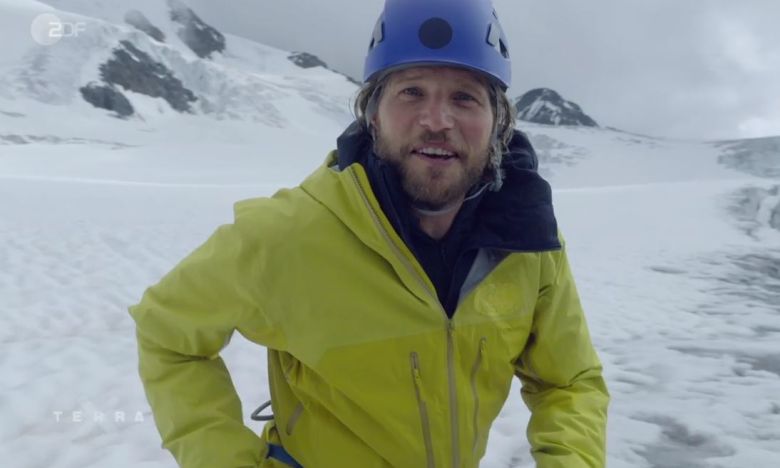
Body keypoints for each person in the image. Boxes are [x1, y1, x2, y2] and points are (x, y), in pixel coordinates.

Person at [129, 0, 609, 466]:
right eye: (411, 92)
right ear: (372, 113)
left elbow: (569, 381)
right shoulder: (288, 234)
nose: (437, 121)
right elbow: (167, 335)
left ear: (497, 124)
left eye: (465, 97)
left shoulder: (527, 244)